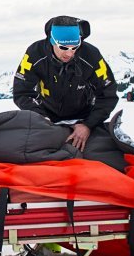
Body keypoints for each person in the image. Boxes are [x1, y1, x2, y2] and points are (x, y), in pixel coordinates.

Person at [13, 15, 122, 168]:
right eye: (64, 48)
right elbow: (22, 92)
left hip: (83, 117)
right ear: (52, 42)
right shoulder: (35, 54)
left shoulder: (91, 55)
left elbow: (108, 94)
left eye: (75, 47)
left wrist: (88, 125)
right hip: (46, 116)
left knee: (93, 159)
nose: (70, 54)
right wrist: (41, 118)